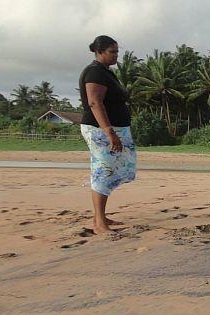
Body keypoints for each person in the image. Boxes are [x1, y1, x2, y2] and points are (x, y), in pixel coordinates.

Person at [79, 35, 136, 234]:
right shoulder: (95, 72)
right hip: (100, 129)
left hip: (113, 128)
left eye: (117, 51)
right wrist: (109, 132)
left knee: (112, 170)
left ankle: (100, 216)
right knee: (103, 171)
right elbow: (95, 103)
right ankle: (99, 223)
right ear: (99, 52)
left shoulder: (106, 72)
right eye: (112, 52)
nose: (116, 56)